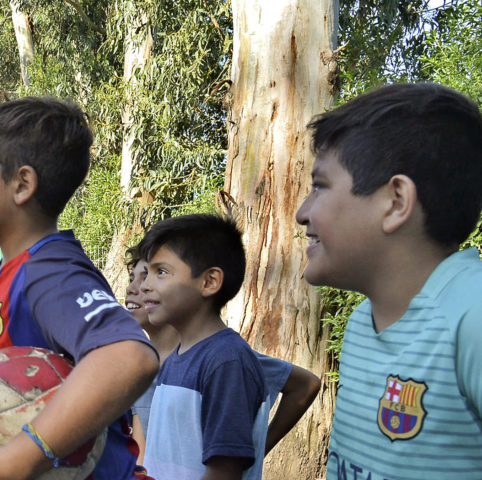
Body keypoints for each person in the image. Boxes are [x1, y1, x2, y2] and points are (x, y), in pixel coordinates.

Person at [0, 97, 159, 480]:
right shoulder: (13, 270)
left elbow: (130, 357)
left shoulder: (49, 272)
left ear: (22, 185)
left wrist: (23, 456)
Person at [295, 83, 482, 478]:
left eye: (320, 186)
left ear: (396, 202)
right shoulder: (363, 321)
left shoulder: (472, 316)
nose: (301, 212)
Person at [123, 245, 321, 459]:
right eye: (132, 278)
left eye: (146, 278)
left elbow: (305, 385)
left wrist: (257, 451)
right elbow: (142, 452)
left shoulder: (222, 359)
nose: (132, 288)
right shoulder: (141, 365)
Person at [136, 214, 267, 480]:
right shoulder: (174, 359)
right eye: (146, 273)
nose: (145, 286)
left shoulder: (226, 361)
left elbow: (224, 470)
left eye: (161, 272)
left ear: (209, 282)